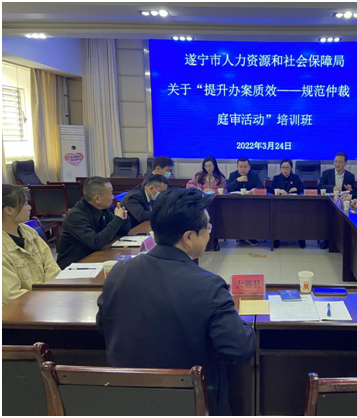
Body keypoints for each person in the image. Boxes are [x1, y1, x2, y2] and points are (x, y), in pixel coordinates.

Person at [96, 188, 256, 415]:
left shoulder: (118, 272)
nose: (209, 234)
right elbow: (241, 348)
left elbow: (103, 325)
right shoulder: (208, 286)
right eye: (207, 229)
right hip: (190, 404)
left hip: (128, 403)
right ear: (189, 237)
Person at [2, 185, 61, 305]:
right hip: (19, 310)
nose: (30, 207)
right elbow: (11, 294)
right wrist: (44, 298)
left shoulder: (29, 232)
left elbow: (51, 265)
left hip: (46, 301)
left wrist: (51, 291)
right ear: (9, 210)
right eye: (25, 204)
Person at [57, 177, 131, 269]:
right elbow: (96, 243)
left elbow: (123, 231)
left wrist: (123, 217)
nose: (113, 197)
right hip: (74, 267)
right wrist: (118, 219)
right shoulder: (75, 216)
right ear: (97, 199)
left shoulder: (103, 209)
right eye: (110, 193)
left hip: (95, 259)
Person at [187, 156, 227, 251]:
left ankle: (215, 241)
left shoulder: (220, 178)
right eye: (206, 166)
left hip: (216, 204)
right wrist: (199, 189)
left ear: (214, 166)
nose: (208, 168)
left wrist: (213, 191)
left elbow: (224, 191)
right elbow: (189, 185)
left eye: (210, 166)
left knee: (215, 219)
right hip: (201, 203)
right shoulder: (199, 176)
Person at [270, 159, 306, 249]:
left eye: (287, 167)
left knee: (299, 217)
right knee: (277, 218)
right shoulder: (276, 178)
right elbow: (270, 189)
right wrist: (278, 190)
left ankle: (301, 239)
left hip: (294, 205)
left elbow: (303, 188)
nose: (285, 170)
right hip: (279, 205)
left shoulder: (296, 178)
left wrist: (296, 189)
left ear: (291, 168)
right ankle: (276, 238)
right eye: (283, 167)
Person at [228, 157, 264, 246]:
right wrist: (237, 181)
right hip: (236, 203)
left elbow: (261, 187)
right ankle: (240, 235)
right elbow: (229, 189)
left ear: (249, 167)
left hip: (252, 203)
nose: (243, 169)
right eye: (240, 167)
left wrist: (255, 189)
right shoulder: (233, 175)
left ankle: (251, 236)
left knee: (252, 214)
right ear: (237, 167)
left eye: (245, 167)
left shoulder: (254, 175)